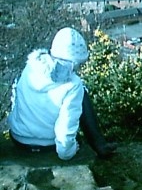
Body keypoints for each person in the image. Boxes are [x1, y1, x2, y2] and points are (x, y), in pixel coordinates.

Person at [9, 27, 116, 159]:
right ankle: (100, 146)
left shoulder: (30, 67)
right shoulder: (73, 84)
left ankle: (100, 145)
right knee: (82, 94)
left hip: (19, 139)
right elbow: (65, 128)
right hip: (48, 144)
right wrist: (68, 152)